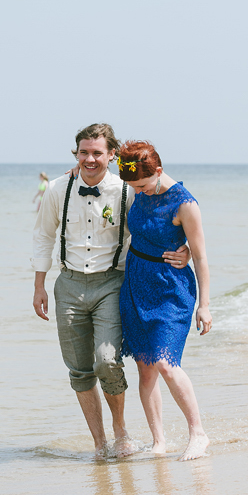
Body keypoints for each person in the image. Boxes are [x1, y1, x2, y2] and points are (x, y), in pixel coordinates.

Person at [31, 124, 190, 459]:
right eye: (83, 153)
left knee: (107, 360)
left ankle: (121, 432)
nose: (90, 159)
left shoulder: (127, 189)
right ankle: (100, 444)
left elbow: (162, 209)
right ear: (75, 155)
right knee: (79, 369)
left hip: (112, 283)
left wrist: (186, 247)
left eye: (97, 153)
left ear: (112, 155)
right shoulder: (58, 189)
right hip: (68, 285)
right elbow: (43, 236)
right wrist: (39, 285)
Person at [117, 140, 212, 461]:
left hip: (171, 289)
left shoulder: (185, 205)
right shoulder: (138, 184)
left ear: (159, 171)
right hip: (135, 285)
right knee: (145, 369)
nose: (137, 191)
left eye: (142, 185)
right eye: (132, 186)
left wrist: (205, 305)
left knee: (165, 363)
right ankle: (159, 441)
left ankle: (198, 434)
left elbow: (200, 257)